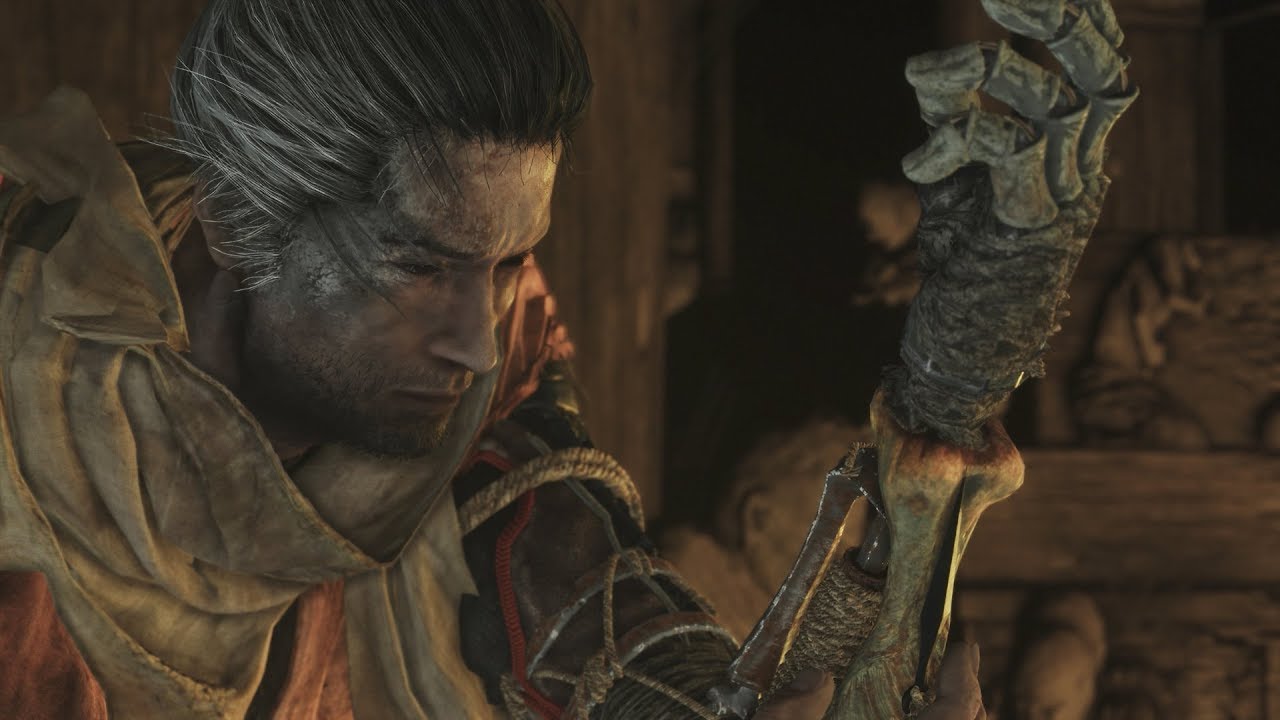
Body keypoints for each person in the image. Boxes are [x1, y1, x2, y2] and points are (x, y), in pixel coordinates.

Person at [0, 1, 984, 717]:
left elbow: (556, 557)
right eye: (417, 265)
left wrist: (696, 700)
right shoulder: (21, 355)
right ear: (233, 218)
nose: (476, 340)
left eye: (510, 262)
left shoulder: (491, 340)